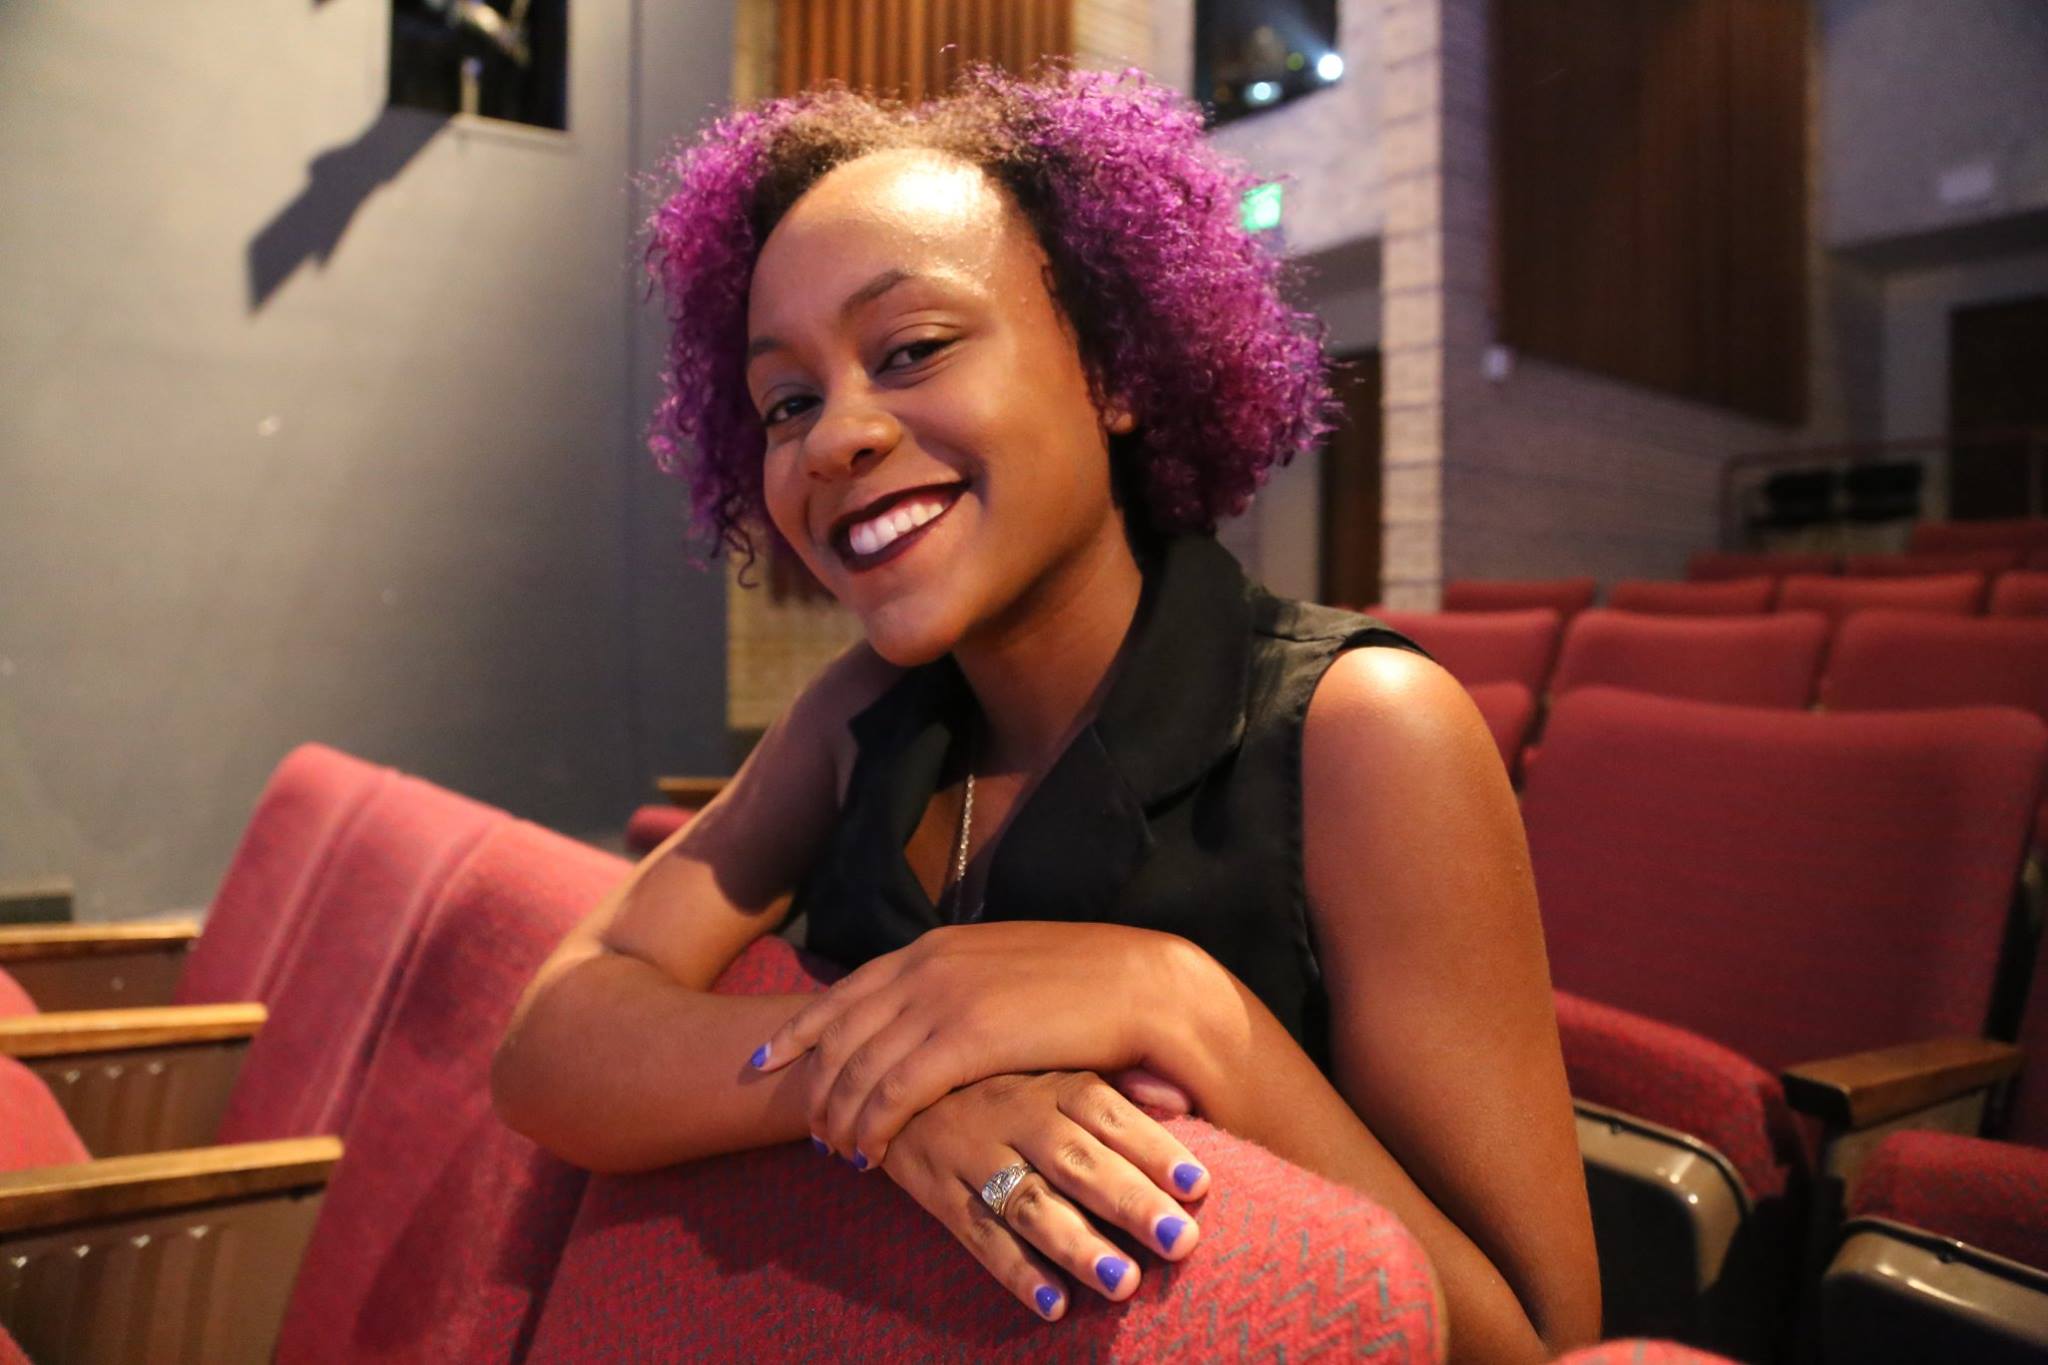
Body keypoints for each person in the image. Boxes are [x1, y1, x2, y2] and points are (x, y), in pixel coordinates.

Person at [492, 64, 1599, 1361]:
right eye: (787, 401)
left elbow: (1536, 1345)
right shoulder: (857, 717)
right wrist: (883, 1084)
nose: (834, 437)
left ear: (1113, 369)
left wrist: (1193, 1012)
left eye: (911, 349)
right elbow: (553, 1040)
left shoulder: (1367, 728)